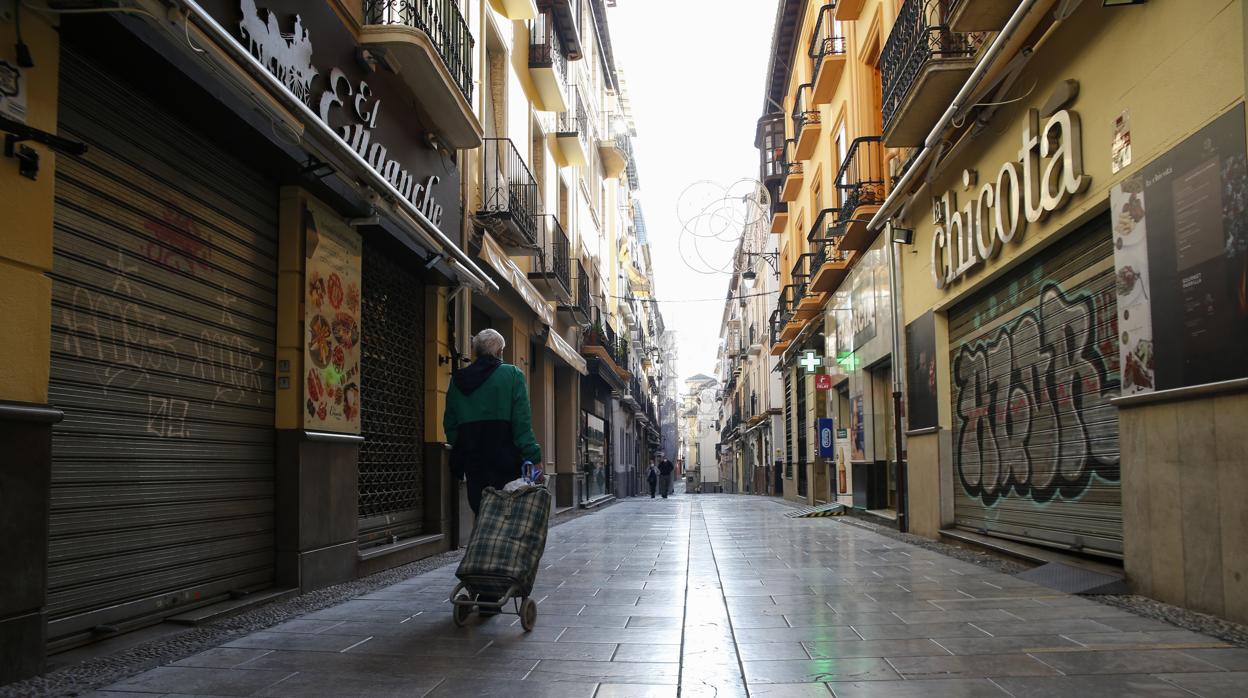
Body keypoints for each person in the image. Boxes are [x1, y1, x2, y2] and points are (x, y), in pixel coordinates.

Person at [443, 329, 542, 516]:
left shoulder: (457, 380)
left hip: (474, 464)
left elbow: (450, 425)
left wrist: (465, 449)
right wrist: (534, 458)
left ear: (475, 352)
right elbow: (522, 424)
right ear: (499, 352)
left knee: (482, 516)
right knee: (505, 522)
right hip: (506, 464)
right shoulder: (513, 375)